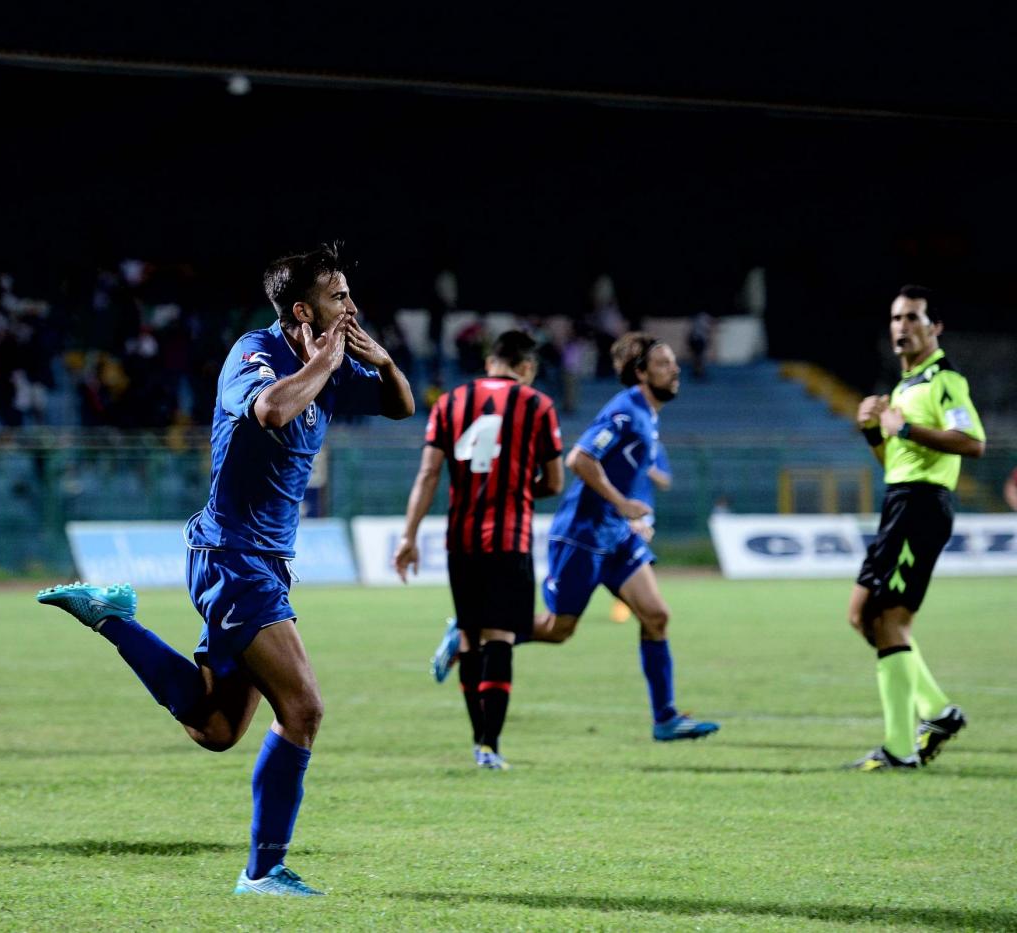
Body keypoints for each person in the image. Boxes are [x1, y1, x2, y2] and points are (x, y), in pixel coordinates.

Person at [36, 245, 413, 896]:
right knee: (303, 708)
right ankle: (263, 871)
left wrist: (381, 362)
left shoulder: (328, 360)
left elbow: (400, 406)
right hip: (232, 557)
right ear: (303, 310)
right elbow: (270, 411)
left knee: (215, 728)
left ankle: (114, 619)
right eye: (338, 296)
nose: (352, 306)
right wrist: (325, 362)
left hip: (265, 562)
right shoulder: (254, 353)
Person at [532, 332, 719, 741]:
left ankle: (665, 719)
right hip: (582, 535)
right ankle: (476, 629)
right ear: (641, 373)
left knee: (657, 616)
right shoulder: (626, 410)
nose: (675, 370)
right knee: (558, 629)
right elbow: (579, 458)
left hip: (616, 535)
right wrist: (621, 502)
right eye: (664, 364)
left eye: (674, 362)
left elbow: (632, 473)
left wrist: (630, 514)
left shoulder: (649, 416)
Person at [392, 331, 564, 770]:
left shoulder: (449, 402)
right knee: (501, 637)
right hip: (509, 539)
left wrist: (409, 536)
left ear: (490, 362)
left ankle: (478, 742)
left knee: (471, 637)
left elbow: (428, 474)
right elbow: (555, 482)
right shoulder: (537, 404)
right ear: (526, 368)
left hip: (461, 539)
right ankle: (491, 746)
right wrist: (518, 489)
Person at [847, 285, 984, 771]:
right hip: (900, 501)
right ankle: (938, 712)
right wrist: (873, 430)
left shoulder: (945, 380)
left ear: (934, 327)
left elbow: (972, 441)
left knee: (889, 620)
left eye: (912, 317)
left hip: (922, 506)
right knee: (862, 615)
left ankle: (900, 748)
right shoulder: (906, 387)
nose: (901, 326)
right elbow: (896, 462)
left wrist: (904, 428)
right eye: (896, 318)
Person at [609, 442, 671, 623]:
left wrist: (648, 468)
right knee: (617, 557)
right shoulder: (617, 444)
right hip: (616, 509)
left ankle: (626, 603)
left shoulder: (655, 447)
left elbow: (665, 482)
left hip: (643, 511)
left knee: (635, 557)